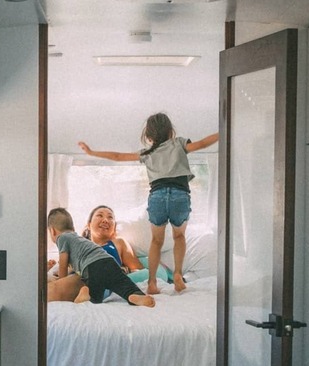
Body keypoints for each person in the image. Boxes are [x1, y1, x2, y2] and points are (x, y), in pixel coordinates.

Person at [78, 112, 218, 294]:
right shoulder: (179, 143)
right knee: (179, 237)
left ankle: (152, 282)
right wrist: (223, 132)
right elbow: (202, 143)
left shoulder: (147, 152)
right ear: (171, 132)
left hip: (158, 196)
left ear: (149, 136)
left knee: (156, 241)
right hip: (179, 194)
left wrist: (92, 152)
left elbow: (118, 156)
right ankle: (177, 274)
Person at [47, 207, 155, 307]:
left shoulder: (119, 242)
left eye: (110, 217)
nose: (105, 220)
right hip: (108, 266)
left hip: (90, 272)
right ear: (88, 225)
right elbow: (63, 267)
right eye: (99, 215)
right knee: (121, 286)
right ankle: (135, 295)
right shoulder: (79, 242)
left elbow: (138, 269)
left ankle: (88, 298)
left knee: (94, 292)